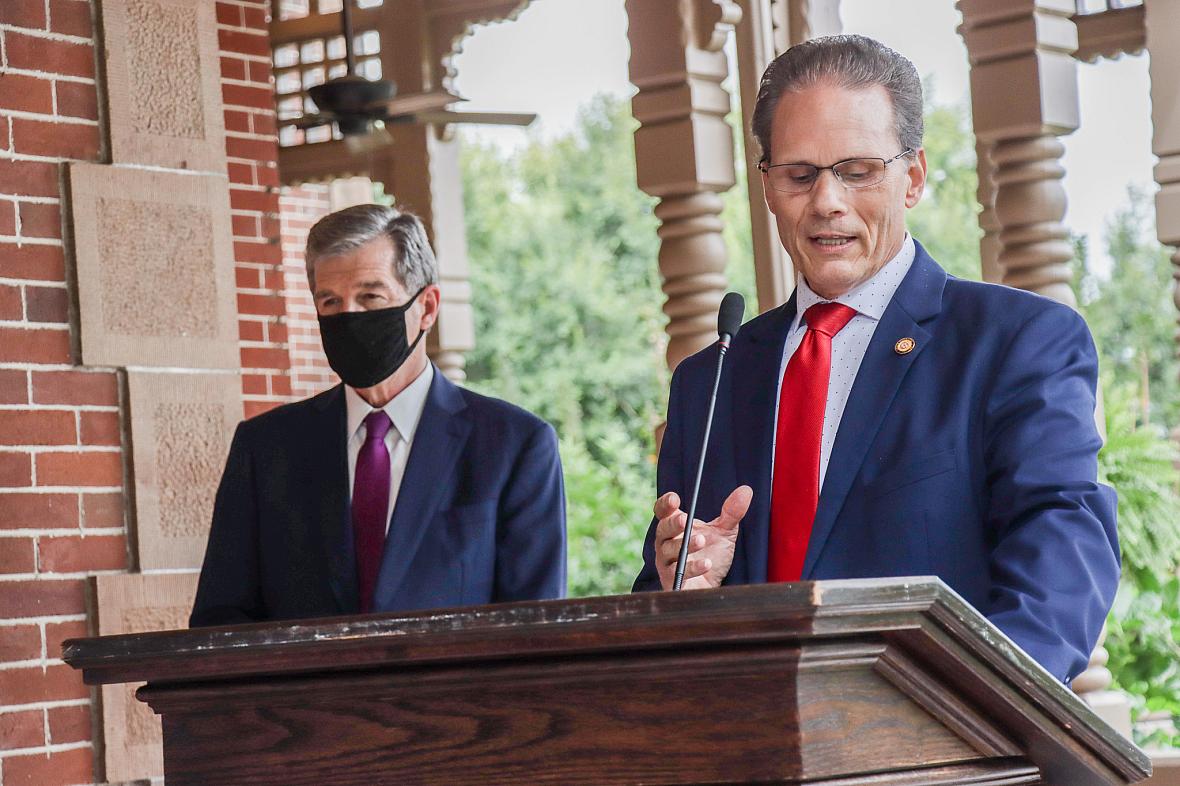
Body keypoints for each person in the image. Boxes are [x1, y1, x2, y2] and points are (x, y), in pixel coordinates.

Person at [633, 35, 1119, 684]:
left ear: (912, 177)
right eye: (800, 174)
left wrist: (959, 721)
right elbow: (656, 617)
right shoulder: (710, 380)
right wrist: (683, 592)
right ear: (769, 186)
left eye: (858, 170)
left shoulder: (1016, 342)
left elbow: (1060, 579)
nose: (827, 201)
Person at [191, 204, 566, 626]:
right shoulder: (266, 449)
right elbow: (220, 622)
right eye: (330, 301)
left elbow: (535, 630)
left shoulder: (513, 445)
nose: (349, 317)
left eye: (371, 296)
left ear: (426, 307)